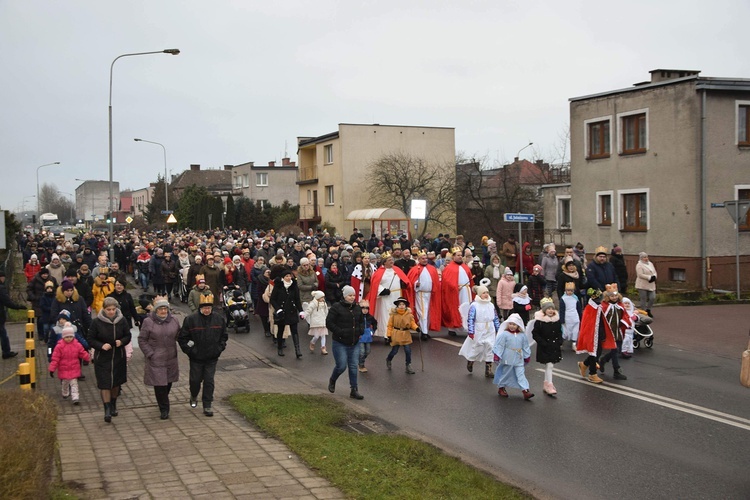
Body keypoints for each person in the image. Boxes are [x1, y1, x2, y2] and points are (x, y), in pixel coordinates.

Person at [178, 292, 228, 417]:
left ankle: (207, 405)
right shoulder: (190, 320)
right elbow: (183, 338)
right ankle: (194, 395)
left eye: (209, 308)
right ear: (200, 308)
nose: (207, 310)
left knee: (209, 381)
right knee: (195, 380)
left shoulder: (219, 319)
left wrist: (219, 348)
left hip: (212, 357)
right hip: (196, 358)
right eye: (205, 308)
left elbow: (224, 336)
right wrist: (190, 351)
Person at [88, 296, 132, 422]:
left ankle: (113, 403)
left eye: (113, 309)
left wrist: (121, 341)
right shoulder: (96, 322)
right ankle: (107, 409)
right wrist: (101, 346)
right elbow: (90, 339)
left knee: (115, 383)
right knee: (105, 383)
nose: (111, 312)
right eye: (108, 309)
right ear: (104, 309)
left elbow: (128, 335)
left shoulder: (122, 321)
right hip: (102, 358)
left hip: (118, 357)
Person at [140, 296, 181, 419]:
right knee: (159, 384)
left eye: (165, 309)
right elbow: (142, 339)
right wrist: (150, 353)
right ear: (156, 310)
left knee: (168, 383)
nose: (163, 311)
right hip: (156, 358)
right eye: (160, 309)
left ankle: (163, 400)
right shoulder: (148, 322)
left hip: (171, 357)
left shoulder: (174, 320)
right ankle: (164, 409)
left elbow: (180, 335)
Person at [326, 285, 365, 399]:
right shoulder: (336, 307)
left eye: (353, 295)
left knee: (353, 366)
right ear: (344, 296)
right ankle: (333, 379)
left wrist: (360, 330)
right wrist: (340, 332)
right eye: (350, 295)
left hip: (354, 342)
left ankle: (354, 389)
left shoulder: (357, 308)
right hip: (340, 342)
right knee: (341, 366)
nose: (352, 297)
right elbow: (329, 322)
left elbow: (361, 321)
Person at [459, 284, 501, 378]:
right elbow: (470, 319)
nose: (486, 294)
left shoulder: (490, 305)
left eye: (487, 292)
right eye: (483, 293)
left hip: (490, 329)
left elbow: (495, 318)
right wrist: (471, 331)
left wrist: (498, 329)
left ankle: (488, 370)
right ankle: (470, 361)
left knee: (490, 347)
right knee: (477, 347)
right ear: (479, 294)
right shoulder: (474, 305)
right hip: (479, 329)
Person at [576, 288, 616, 384]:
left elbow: (601, 322)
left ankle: (584, 364)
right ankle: (592, 374)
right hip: (592, 334)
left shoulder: (598, 307)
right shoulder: (590, 308)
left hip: (598, 333)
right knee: (594, 354)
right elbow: (588, 324)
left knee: (597, 352)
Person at [368, 253, 409, 343]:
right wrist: (382, 290)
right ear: (384, 262)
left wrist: (404, 284)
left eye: (392, 260)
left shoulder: (397, 270)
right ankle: (388, 335)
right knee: (387, 315)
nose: (392, 261)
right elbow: (375, 284)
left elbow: (404, 279)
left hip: (397, 296)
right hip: (386, 297)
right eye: (389, 260)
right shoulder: (379, 272)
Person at [492, 313, 534, 400]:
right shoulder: (504, 334)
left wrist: (527, 356)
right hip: (507, 358)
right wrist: (497, 355)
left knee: (521, 374)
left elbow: (525, 346)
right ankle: (501, 387)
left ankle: (525, 390)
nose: (512, 326)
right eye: (510, 324)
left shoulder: (522, 336)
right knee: (506, 373)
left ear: (518, 325)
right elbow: (499, 345)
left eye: (514, 324)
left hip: (519, 359)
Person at [48, 322, 90, 405]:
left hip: (74, 368)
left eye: (71, 336)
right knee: (65, 382)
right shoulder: (59, 346)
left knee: (74, 383)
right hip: (64, 369)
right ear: (63, 337)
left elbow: (82, 353)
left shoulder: (77, 345)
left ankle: (75, 397)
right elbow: (55, 358)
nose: (69, 338)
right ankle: (65, 392)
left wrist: (89, 358)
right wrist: (52, 369)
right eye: (67, 337)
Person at [405, 251, 441, 340]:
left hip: (430, 294)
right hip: (420, 294)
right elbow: (410, 282)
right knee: (423, 312)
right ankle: (424, 332)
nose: (425, 260)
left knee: (428, 313)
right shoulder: (414, 269)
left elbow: (435, 281)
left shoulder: (432, 269)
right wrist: (415, 284)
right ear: (418, 259)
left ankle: (425, 330)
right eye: (423, 259)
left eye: (426, 259)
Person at [598, 284, 631, 381]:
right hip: (609, 332)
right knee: (614, 351)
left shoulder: (620, 305)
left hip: (618, 331)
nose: (614, 297)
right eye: (612, 296)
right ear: (607, 297)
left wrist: (625, 323)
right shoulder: (604, 306)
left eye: (615, 295)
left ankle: (604, 360)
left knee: (618, 350)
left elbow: (624, 315)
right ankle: (616, 371)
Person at [531, 298, 563, 396]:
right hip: (545, 346)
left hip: (554, 346)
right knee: (550, 365)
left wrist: (559, 341)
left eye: (552, 308)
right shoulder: (540, 321)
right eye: (548, 309)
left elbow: (559, 332)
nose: (550, 311)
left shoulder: (556, 320)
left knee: (550, 365)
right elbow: (535, 334)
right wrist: (543, 343)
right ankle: (549, 384)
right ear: (544, 310)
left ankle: (546, 383)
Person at [270, 268, 305, 358]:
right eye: (287, 276)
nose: (289, 278)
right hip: (282, 312)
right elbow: (272, 299)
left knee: (295, 331)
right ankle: (280, 347)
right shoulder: (278, 286)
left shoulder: (294, 286)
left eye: (290, 276)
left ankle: (298, 350)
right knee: (280, 331)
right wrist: (278, 309)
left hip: (292, 311)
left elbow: (297, 300)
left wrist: (301, 310)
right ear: (283, 277)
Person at [441, 248, 474, 336]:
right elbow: (447, 281)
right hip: (456, 292)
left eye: (461, 255)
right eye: (458, 255)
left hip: (466, 291)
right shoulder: (449, 268)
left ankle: (466, 326)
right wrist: (455, 287)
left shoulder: (465, 266)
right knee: (457, 307)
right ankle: (453, 327)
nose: (460, 257)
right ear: (453, 257)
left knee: (467, 307)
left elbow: (470, 279)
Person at [385, 297, 418, 375]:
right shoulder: (393, 314)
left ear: (406, 305)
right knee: (395, 351)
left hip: (405, 334)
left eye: (403, 304)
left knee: (408, 351)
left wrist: (416, 328)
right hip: (396, 334)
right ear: (397, 305)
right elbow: (390, 325)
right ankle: (389, 359)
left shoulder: (409, 315)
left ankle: (408, 365)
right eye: (400, 304)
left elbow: (412, 323)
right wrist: (389, 336)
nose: (402, 306)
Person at [1, 270, 26, 359]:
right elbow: (7, 301)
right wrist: (18, 307)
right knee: (3, 334)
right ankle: (6, 352)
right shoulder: (1, 288)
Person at [559, 282, 582, 351]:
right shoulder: (563, 298)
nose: (570, 292)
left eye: (571, 291)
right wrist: (562, 319)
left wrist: (580, 316)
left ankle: (574, 344)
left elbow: (579, 308)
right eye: (568, 290)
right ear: (565, 290)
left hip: (575, 317)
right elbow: (562, 310)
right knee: (565, 332)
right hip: (567, 317)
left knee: (575, 331)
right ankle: (560, 343)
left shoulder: (575, 298)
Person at [305, 290, 329, 355]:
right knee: (316, 336)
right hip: (315, 322)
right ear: (318, 297)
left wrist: (326, 317)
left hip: (322, 321)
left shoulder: (324, 303)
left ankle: (323, 348)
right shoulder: (313, 304)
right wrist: (304, 315)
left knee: (323, 335)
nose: (323, 299)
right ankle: (312, 342)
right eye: (321, 297)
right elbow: (308, 310)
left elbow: (326, 311)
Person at [635, 252, 657, 317]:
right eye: (644, 257)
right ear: (641, 258)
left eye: (647, 257)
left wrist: (654, 277)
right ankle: (644, 311)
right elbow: (640, 274)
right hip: (642, 285)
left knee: (652, 297)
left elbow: (654, 271)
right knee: (643, 299)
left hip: (651, 284)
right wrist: (649, 277)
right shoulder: (639, 265)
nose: (646, 258)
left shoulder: (650, 264)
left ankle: (648, 309)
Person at [357, 299, 377, 373]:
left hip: (368, 336)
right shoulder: (358, 317)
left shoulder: (370, 317)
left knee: (368, 351)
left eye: (366, 308)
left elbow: (375, 323)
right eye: (363, 308)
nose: (365, 310)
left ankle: (360, 360)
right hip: (360, 336)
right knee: (362, 351)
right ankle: (361, 365)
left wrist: (372, 331)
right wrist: (357, 333)